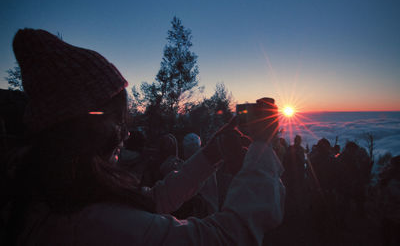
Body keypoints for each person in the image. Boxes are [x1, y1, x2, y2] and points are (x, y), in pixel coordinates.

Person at [3, 29, 285, 245]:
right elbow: (224, 239)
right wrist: (261, 146)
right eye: (118, 119)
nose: (125, 132)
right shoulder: (90, 224)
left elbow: (154, 200)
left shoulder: (52, 193)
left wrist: (211, 153)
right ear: (83, 126)